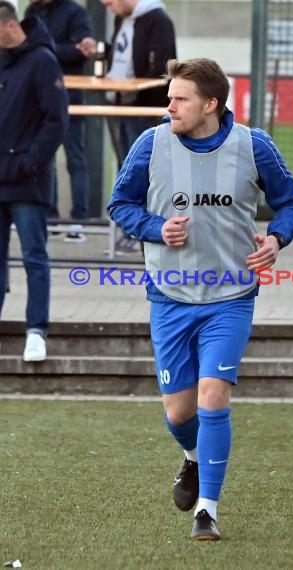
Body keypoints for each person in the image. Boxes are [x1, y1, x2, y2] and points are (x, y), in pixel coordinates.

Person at [107, 58, 293, 540]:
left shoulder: (253, 145)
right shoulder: (151, 143)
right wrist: (157, 228)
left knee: (213, 396)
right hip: (170, 297)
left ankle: (207, 511)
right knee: (179, 413)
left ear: (211, 104)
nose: (169, 106)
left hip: (231, 296)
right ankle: (192, 458)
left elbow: (292, 199)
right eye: (169, 96)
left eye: (180, 98)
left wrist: (276, 239)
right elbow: (120, 204)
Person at [78, 0, 176, 255]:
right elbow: (125, 55)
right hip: (122, 103)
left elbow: (162, 69)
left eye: (110, 2)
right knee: (127, 171)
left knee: (142, 173)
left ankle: (144, 231)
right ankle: (131, 230)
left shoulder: (158, 20)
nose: (109, 7)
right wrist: (103, 50)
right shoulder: (125, 19)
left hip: (143, 109)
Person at [0, 2, 69, 361]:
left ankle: (36, 331)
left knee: (34, 257)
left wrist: (28, 163)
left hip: (28, 182)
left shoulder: (43, 61)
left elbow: (56, 120)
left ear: (9, 26)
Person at [25, 0, 93, 243]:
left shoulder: (75, 12)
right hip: (37, 99)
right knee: (45, 160)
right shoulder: (33, 11)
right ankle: (50, 216)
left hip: (70, 97)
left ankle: (79, 220)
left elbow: (82, 51)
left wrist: (45, 48)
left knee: (75, 159)